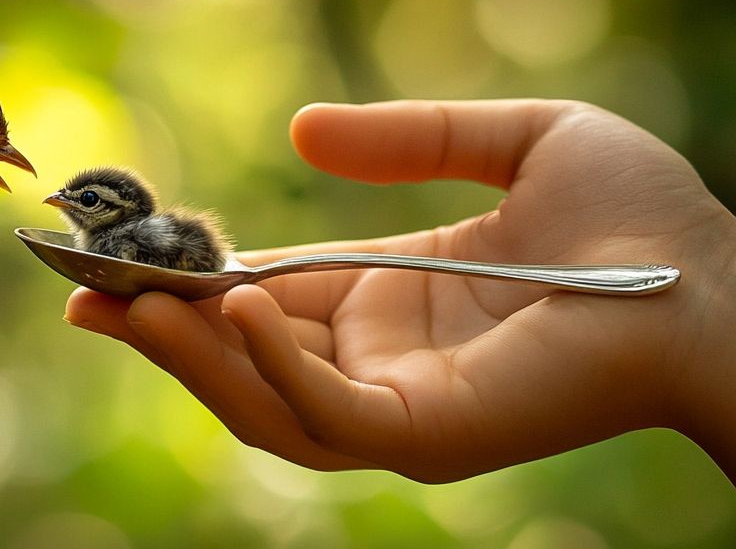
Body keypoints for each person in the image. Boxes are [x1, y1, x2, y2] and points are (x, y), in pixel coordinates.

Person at [64, 100, 736, 485]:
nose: (69, 205)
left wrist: (704, 299)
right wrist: (700, 310)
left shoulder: (136, 238)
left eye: (85, 201)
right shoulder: (153, 234)